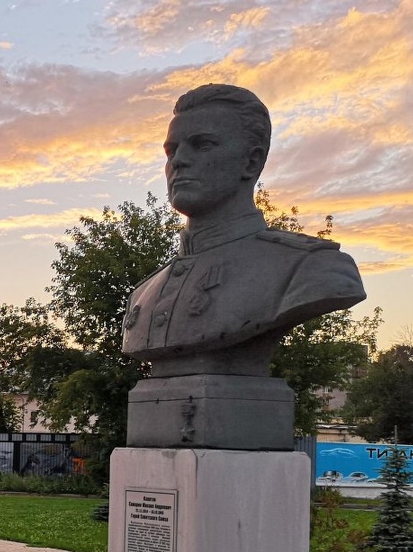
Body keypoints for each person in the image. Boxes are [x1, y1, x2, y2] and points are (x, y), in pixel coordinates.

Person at [122, 84, 366, 376]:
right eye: (171, 150)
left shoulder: (311, 267)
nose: (179, 161)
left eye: (202, 145)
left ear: (250, 162)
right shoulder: (143, 294)